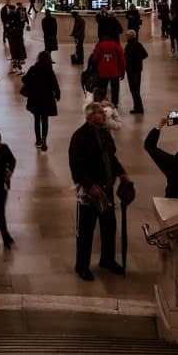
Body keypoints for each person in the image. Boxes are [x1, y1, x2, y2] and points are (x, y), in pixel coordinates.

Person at [69, 101, 132, 281]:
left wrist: (122, 174)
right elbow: (77, 166)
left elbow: (110, 157)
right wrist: (90, 186)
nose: (104, 115)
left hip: (107, 188)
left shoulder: (104, 133)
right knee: (87, 230)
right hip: (91, 192)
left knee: (109, 226)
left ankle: (107, 259)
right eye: (99, 113)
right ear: (90, 116)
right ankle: (82, 265)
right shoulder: (79, 137)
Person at [21, 50, 60, 151]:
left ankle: (38, 140)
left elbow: (24, 79)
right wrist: (58, 94)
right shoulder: (49, 71)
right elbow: (55, 84)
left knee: (37, 119)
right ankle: (44, 138)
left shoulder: (34, 69)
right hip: (47, 98)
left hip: (35, 98)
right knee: (45, 119)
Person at [91, 35, 125, 107]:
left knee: (103, 88)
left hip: (103, 72)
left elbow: (95, 58)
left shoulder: (100, 45)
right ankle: (115, 103)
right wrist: (122, 72)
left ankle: (102, 102)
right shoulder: (116, 46)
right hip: (115, 72)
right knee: (115, 89)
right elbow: (122, 59)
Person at [124, 29, 148, 114]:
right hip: (138, 69)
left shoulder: (129, 45)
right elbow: (145, 54)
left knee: (134, 90)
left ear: (130, 36)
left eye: (127, 36)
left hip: (131, 70)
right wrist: (139, 60)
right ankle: (137, 107)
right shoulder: (138, 44)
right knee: (136, 89)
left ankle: (139, 108)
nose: (126, 37)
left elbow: (126, 57)